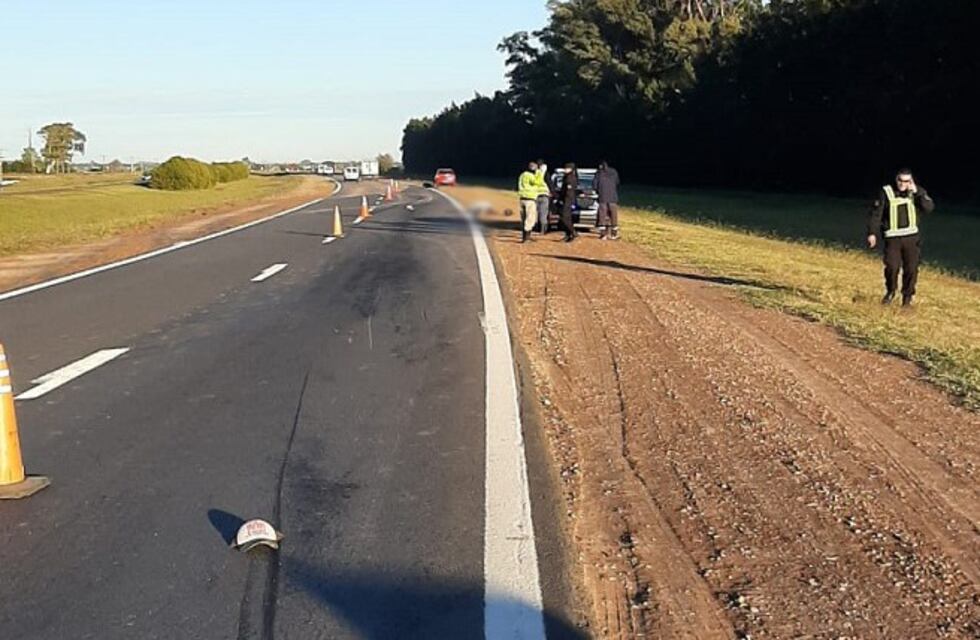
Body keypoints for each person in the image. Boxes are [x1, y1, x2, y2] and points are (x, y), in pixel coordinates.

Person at [867, 168, 936, 306]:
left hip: (911, 238)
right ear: (896, 179)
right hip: (892, 239)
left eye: (906, 181)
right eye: (900, 180)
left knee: (911, 269)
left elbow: (929, 208)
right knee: (892, 267)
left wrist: (918, 193)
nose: (903, 184)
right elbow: (876, 214)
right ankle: (891, 291)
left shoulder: (917, 193)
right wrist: (872, 233)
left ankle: (907, 298)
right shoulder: (886, 192)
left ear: (911, 181)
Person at [595, 160, 621, 240]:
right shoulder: (614, 172)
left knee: (602, 216)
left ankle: (603, 235)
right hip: (613, 198)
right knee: (613, 216)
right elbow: (617, 182)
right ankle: (614, 234)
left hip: (603, 198)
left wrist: (598, 191)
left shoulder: (599, 173)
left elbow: (595, 185)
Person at [517, 161, 539, 243]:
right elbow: (538, 182)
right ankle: (527, 238)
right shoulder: (530, 175)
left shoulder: (522, 175)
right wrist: (540, 173)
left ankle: (524, 237)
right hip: (530, 199)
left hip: (522, 198)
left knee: (524, 218)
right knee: (530, 219)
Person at [559, 162, 579, 243]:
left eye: (567, 168)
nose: (565, 169)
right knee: (567, 218)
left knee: (565, 218)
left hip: (569, 200)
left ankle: (573, 232)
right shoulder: (566, 177)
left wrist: (569, 202)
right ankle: (568, 234)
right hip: (565, 200)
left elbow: (569, 192)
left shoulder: (571, 178)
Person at [535, 159, 552, 234]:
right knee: (544, 213)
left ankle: (539, 228)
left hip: (536, 195)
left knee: (538, 213)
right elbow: (550, 183)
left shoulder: (535, 173)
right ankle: (543, 230)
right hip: (545, 195)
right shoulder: (546, 173)